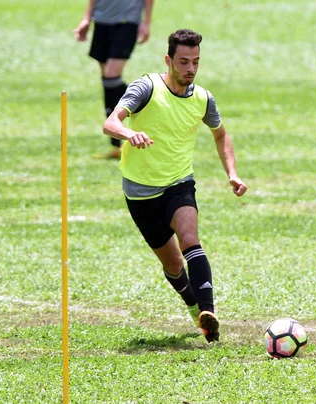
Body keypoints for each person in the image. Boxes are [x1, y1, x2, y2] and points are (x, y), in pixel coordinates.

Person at [103, 29, 248, 342]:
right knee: (171, 263)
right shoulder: (147, 87)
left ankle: (209, 312)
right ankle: (195, 309)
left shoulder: (202, 98)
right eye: (183, 61)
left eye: (195, 61)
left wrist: (232, 173)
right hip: (139, 192)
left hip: (179, 184)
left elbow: (221, 135)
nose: (190, 68)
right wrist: (129, 134)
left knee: (190, 239)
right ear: (168, 60)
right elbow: (111, 122)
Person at [74, 0, 154, 159]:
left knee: (111, 77)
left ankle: (147, 103)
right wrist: (86, 18)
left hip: (127, 21)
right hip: (102, 21)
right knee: (107, 81)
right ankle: (118, 143)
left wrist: (146, 22)